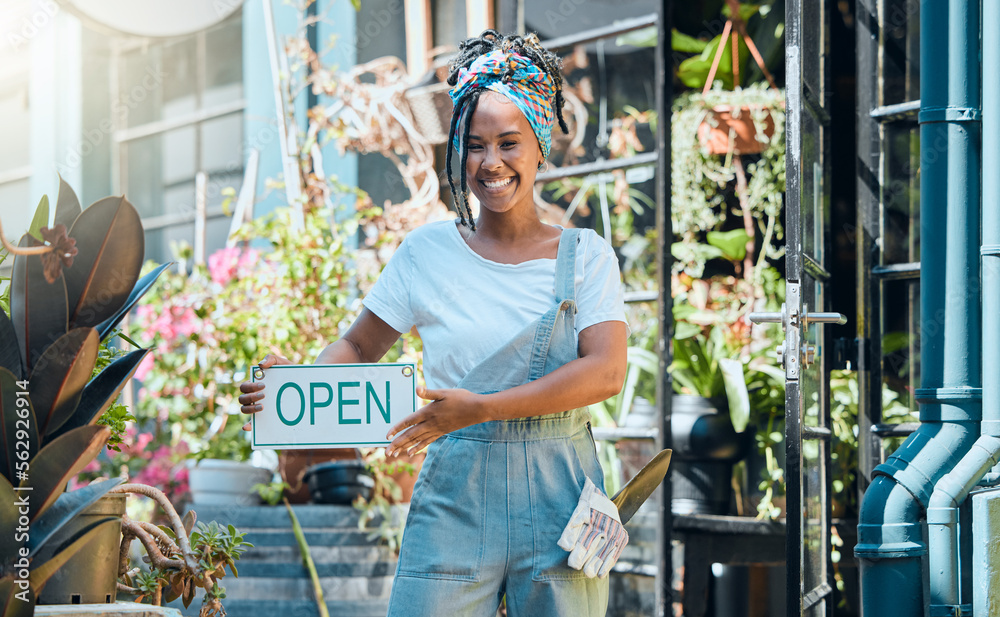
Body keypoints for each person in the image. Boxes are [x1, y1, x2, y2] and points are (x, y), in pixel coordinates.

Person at [239, 30, 630, 616]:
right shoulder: (426, 254)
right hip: (455, 495)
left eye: (508, 143)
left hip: (561, 498)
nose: (490, 163)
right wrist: (296, 387)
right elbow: (357, 344)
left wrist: (483, 408)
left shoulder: (586, 255)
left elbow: (605, 373)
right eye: (473, 146)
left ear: (539, 146)